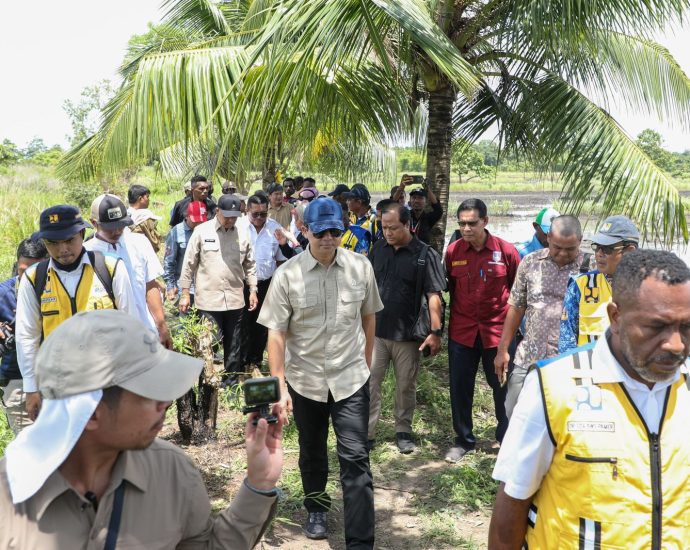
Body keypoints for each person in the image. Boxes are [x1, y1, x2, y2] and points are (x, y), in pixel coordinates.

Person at [0, 309, 283, 549]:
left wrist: (259, 484)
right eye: (149, 391)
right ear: (91, 414)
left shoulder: (172, 472)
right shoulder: (8, 502)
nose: (165, 402)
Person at [489, 249, 690, 549]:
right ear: (616, 316)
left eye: (686, 327)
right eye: (656, 327)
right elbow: (512, 504)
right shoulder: (553, 387)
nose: (675, 344)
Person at [258, 197, 382, 547]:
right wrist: (279, 387)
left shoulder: (361, 267)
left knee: (356, 459)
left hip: (350, 379)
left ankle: (360, 541)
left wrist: (366, 362)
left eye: (335, 231)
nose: (328, 238)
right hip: (305, 380)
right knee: (312, 451)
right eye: (321, 231)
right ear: (305, 230)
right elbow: (276, 334)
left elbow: (369, 316)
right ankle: (316, 507)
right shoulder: (288, 275)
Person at [15, 205, 136, 423]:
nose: (63, 249)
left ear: (81, 234)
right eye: (53, 242)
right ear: (44, 243)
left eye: (69, 240)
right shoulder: (34, 279)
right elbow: (26, 336)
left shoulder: (110, 269)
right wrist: (31, 388)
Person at [444, 199, 520, 462]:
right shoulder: (453, 252)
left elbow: (517, 295)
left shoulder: (506, 251)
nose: (466, 228)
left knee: (502, 387)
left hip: (497, 334)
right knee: (460, 388)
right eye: (462, 223)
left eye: (472, 223)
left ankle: (505, 438)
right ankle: (463, 440)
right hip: (462, 332)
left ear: (485, 221)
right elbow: (451, 290)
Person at [367, 202, 445, 453]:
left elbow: (434, 296)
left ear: (408, 225)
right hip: (376, 332)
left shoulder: (425, 255)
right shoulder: (378, 249)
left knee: (405, 386)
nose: (387, 232)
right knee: (369, 383)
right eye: (384, 227)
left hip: (408, 335)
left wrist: (435, 332)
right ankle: (367, 433)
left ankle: (403, 431)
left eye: (393, 228)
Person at [494, 216, 584, 419]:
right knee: (515, 412)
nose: (562, 254)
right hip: (529, 357)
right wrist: (502, 350)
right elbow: (516, 306)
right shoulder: (531, 262)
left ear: (580, 240)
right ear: (548, 237)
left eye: (569, 249)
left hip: (569, 361)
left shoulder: (590, 268)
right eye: (557, 246)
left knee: (562, 418)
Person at [179, 194, 258, 385]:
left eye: (235, 216)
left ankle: (230, 381)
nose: (231, 220)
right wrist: (184, 293)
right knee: (208, 342)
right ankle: (207, 380)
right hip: (209, 299)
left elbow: (250, 264)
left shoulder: (242, 233)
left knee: (234, 343)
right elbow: (189, 264)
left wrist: (253, 289)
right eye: (227, 216)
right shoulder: (201, 232)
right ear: (217, 211)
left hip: (235, 298)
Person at [85, 194, 172, 349]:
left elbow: (150, 286)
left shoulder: (139, 243)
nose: (117, 231)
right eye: (110, 227)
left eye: (121, 225)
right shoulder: (86, 254)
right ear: (94, 223)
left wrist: (161, 326)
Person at [559, 215, 640, 353]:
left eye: (607, 249)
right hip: (591, 371)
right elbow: (567, 342)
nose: (599, 254)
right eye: (597, 247)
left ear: (629, 251)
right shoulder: (581, 286)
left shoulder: (651, 288)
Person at [0, 238, 48, 434]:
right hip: (17, 384)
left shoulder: (59, 290)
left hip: (56, 383)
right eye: (22, 270)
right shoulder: (4, 293)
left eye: (35, 270)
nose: (28, 277)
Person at [238, 194, 287, 372]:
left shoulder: (274, 228)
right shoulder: (238, 227)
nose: (259, 218)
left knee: (261, 325)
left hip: (266, 284)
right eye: (255, 214)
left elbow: (281, 259)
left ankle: (255, 361)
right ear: (247, 211)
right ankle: (240, 363)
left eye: (263, 214)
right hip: (241, 284)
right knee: (241, 324)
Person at [163, 200, 208, 304]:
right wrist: (170, 285)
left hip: (205, 288)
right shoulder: (176, 232)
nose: (198, 224)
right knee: (186, 319)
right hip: (184, 287)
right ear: (187, 216)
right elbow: (168, 261)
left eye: (201, 221)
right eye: (195, 221)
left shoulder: (208, 231)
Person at [392, 175, 442, 245]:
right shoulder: (404, 216)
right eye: (414, 198)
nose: (416, 201)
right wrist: (402, 186)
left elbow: (438, 209)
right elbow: (392, 205)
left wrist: (427, 188)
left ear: (426, 201)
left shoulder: (428, 218)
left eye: (420, 198)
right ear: (410, 201)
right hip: (405, 253)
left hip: (422, 254)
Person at [127, 184, 162, 253]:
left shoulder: (125, 214)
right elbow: (154, 243)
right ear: (140, 199)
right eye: (147, 197)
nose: (149, 199)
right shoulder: (145, 216)